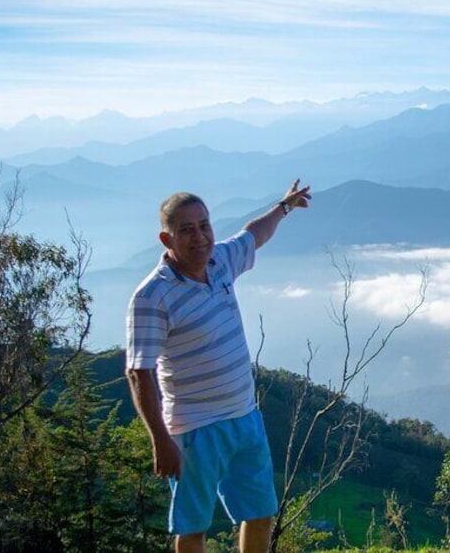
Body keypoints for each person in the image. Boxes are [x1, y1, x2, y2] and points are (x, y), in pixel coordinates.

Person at [126, 179, 312, 553]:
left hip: (244, 417)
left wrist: (284, 207)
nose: (200, 237)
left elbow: (252, 235)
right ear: (167, 240)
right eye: (186, 230)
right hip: (193, 428)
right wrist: (160, 441)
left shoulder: (221, 261)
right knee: (194, 527)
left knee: (260, 513)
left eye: (204, 225)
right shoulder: (151, 296)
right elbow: (139, 373)